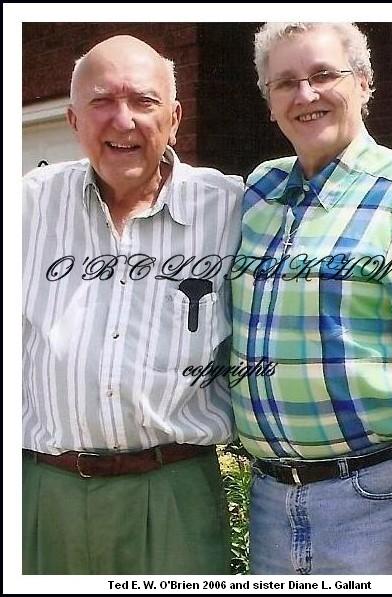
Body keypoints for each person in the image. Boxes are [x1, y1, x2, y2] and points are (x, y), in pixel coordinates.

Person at [230, 22, 392, 575]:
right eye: (285, 83)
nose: (305, 94)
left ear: (363, 81)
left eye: (323, 75)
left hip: (379, 501)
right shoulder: (259, 193)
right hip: (270, 502)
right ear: (270, 103)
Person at [22, 35, 243, 574]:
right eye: (101, 101)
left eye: (144, 101)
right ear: (73, 120)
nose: (123, 121)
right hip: (41, 491)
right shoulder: (27, 207)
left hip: (174, 495)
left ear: (175, 118)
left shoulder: (233, 210)